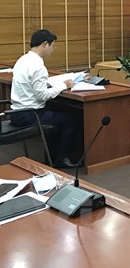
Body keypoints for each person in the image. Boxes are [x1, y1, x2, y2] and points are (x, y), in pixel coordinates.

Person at [10, 29, 81, 168]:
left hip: (16, 113)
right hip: (30, 115)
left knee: (56, 116)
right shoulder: (38, 67)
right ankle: (61, 160)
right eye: (53, 46)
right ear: (45, 44)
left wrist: (48, 85)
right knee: (72, 120)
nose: (53, 49)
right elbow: (42, 95)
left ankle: (51, 158)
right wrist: (64, 85)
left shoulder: (22, 60)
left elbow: (33, 86)